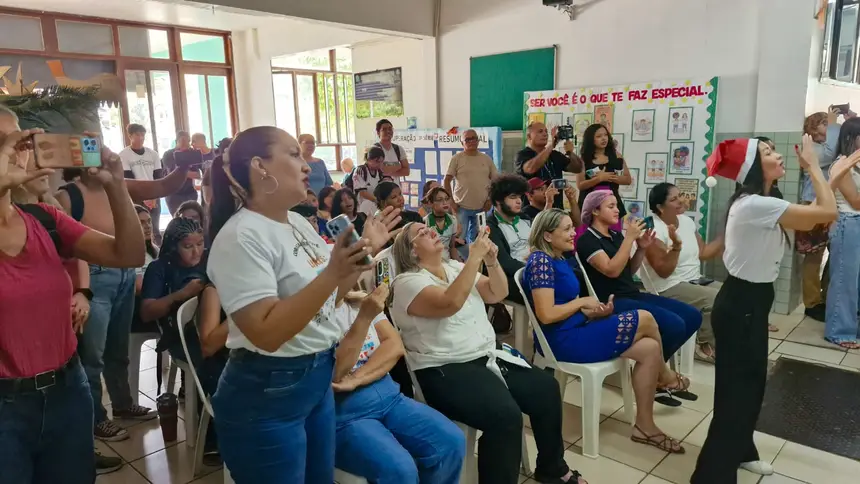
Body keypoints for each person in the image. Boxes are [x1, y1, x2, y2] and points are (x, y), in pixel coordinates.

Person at [205, 126, 399, 482]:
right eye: (294, 154)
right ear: (260, 166)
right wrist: (333, 272)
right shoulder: (240, 236)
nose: (307, 165)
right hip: (268, 391)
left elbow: (327, 301)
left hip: (316, 375)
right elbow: (266, 334)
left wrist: (364, 251)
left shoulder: (297, 222)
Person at [691, 136, 848, 483]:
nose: (778, 155)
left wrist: (833, 175)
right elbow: (827, 212)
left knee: (751, 387)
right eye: (767, 152)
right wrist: (813, 167)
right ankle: (711, 475)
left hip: (752, 301)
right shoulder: (753, 205)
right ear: (752, 167)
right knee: (736, 393)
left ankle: (741, 451)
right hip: (740, 303)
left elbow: (815, 212)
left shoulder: (763, 202)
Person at [0, 118, 145, 483]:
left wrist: (116, 186)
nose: (14, 150)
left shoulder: (43, 218)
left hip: (67, 390)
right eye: (2, 141)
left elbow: (128, 253)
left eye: (19, 140)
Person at [389, 223, 586, 484]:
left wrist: (491, 262)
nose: (432, 232)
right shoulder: (406, 282)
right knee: (504, 417)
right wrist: (474, 258)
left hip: (484, 355)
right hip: (444, 368)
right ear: (412, 251)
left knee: (546, 389)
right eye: (422, 233)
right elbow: (449, 303)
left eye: (429, 228)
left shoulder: (454, 267)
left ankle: (551, 467)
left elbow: (497, 293)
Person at [524, 209, 684, 453]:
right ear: (547, 235)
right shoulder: (540, 262)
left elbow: (564, 304)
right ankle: (667, 376)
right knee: (645, 317)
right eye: (566, 229)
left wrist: (594, 312)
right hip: (561, 339)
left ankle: (644, 426)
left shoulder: (558, 258)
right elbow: (546, 314)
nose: (573, 233)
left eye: (572, 227)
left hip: (578, 326)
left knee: (650, 348)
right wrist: (582, 302)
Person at [575, 190, 702, 401]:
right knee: (675, 325)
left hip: (632, 293)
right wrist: (629, 239)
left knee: (692, 316)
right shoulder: (587, 240)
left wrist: (641, 249)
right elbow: (611, 270)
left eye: (616, 205)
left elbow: (628, 271)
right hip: (611, 301)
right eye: (610, 206)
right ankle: (657, 376)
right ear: (595, 211)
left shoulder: (616, 236)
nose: (617, 210)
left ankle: (654, 373)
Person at [332, 285, 465, 483]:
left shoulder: (361, 301)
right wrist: (365, 318)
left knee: (451, 443)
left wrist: (357, 378)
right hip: (346, 414)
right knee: (400, 470)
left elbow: (394, 346)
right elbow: (336, 372)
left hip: (389, 396)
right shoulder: (316, 315)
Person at [642, 183, 725, 362]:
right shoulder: (653, 229)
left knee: (731, 294)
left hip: (695, 280)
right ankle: (704, 346)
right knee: (715, 298)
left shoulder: (686, 221)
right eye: (674, 199)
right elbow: (663, 271)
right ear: (660, 207)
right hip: (668, 286)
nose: (681, 201)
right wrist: (676, 246)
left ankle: (724, 342)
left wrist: (726, 233)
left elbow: (703, 252)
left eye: (680, 195)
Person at [825, 118, 860, 349]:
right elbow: (855, 201)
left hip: (855, 223)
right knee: (844, 280)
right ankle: (839, 331)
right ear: (851, 137)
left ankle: (851, 325)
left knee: (855, 281)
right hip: (848, 223)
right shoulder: (841, 164)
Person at [575, 124, 631, 233]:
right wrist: (599, 179)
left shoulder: (616, 156)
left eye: (605, 135)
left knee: (613, 237)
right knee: (587, 237)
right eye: (599, 136)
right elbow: (580, 185)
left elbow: (627, 180)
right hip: (590, 207)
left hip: (611, 204)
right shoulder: (583, 159)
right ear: (591, 139)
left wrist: (609, 177)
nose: (604, 138)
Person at [486, 174, 533, 305]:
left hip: (536, 268)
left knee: (574, 275)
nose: (519, 201)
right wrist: (535, 269)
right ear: (498, 201)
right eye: (513, 197)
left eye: (519, 197)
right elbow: (505, 263)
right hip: (514, 277)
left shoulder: (525, 219)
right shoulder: (490, 227)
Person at [445, 129, 498, 242]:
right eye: (467, 139)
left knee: (479, 239)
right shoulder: (457, 159)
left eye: (474, 138)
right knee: (459, 239)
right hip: (461, 207)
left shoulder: (486, 159)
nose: (471, 141)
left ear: (478, 141)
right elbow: (446, 181)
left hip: (482, 208)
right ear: (462, 143)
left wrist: (490, 200)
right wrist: (451, 201)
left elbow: (495, 181)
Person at [515, 122, 583, 209]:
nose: (545, 134)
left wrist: (570, 153)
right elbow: (530, 168)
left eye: (546, 131)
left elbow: (578, 169)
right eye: (540, 131)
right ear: (529, 136)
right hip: (532, 210)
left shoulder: (554, 155)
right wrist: (551, 145)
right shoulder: (523, 155)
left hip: (556, 209)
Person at [119, 123, 164, 241]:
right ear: (130, 136)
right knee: (140, 230)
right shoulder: (124, 155)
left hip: (153, 195)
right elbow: (128, 178)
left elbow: (158, 177)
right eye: (137, 135)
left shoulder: (153, 154)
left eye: (143, 135)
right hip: (136, 197)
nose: (141, 138)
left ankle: (157, 249)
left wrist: (154, 197)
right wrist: (143, 198)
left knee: (155, 229)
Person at [161, 131, 200, 215]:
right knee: (177, 218)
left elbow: (198, 174)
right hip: (173, 193)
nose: (185, 143)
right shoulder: (169, 154)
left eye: (188, 141)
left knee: (192, 218)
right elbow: (172, 173)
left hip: (190, 192)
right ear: (176, 141)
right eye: (182, 140)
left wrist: (184, 172)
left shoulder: (192, 153)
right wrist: (187, 173)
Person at [423, 185, 462, 261]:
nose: (445, 203)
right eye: (439, 200)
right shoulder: (425, 221)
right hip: (431, 261)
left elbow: (452, 247)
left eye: (447, 199)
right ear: (430, 203)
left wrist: (460, 264)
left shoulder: (453, 220)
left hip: (447, 261)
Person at [353, 146, 389, 217]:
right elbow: (362, 193)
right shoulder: (360, 170)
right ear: (369, 159)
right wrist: (378, 201)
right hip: (362, 206)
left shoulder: (379, 172)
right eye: (377, 161)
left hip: (374, 206)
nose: (379, 164)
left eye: (381, 162)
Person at [373, 119, 410, 185]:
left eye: (390, 129)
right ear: (378, 132)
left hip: (396, 188)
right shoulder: (374, 149)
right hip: (380, 189)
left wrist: (388, 171)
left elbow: (407, 171)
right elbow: (379, 170)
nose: (388, 131)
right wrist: (398, 166)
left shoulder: (398, 149)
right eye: (384, 129)